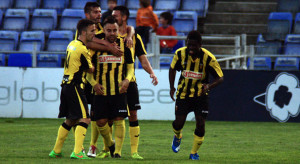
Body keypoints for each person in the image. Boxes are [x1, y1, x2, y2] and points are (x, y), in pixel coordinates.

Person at [77, 2, 134, 158]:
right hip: (100, 90)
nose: (112, 33)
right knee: (100, 121)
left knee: (119, 119)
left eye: (115, 30)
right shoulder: (94, 44)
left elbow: (130, 68)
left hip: (119, 90)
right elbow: (88, 69)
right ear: (105, 30)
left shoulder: (124, 44)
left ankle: (117, 152)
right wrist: (94, 83)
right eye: (109, 30)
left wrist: (127, 80)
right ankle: (108, 144)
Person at [111, 6, 158, 160]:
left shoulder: (134, 37)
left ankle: (134, 152)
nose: (113, 17)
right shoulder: (108, 35)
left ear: (123, 17)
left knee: (133, 114)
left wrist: (152, 73)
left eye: (115, 15)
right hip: (111, 81)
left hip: (130, 82)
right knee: (111, 117)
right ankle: (111, 150)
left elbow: (143, 59)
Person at [169, 30, 224, 160]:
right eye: (189, 45)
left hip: (200, 96)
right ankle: (177, 136)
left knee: (200, 124)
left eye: (194, 46)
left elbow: (220, 78)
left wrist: (209, 86)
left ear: (200, 45)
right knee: (178, 123)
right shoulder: (180, 53)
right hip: (183, 94)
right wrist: (171, 87)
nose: (191, 48)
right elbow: (172, 69)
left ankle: (194, 153)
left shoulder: (209, 58)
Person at [48, 19, 95, 160]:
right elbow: (90, 69)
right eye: (92, 31)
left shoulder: (71, 44)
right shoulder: (82, 48)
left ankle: (56, 151)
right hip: (75, 86)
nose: (94, 33)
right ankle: (77, 152)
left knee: (70, 120)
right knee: (85, 119)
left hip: (66, 85)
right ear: (83, 32)